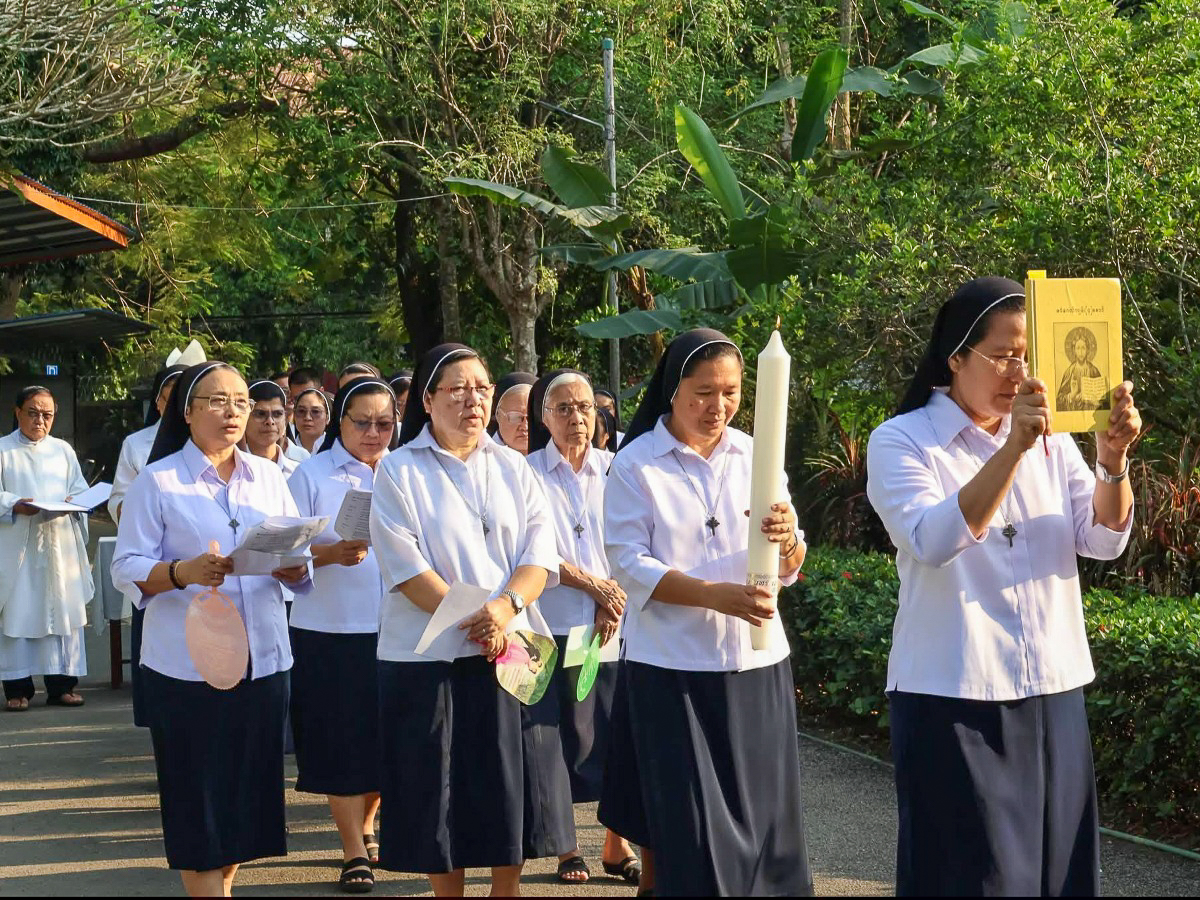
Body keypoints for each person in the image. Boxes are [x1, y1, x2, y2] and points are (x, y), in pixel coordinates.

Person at [865, 276, 1140, 897]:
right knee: (971, 877)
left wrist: (1113, 459)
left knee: (1057, 875)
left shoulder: (1056, 438)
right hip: (954, 694)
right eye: (1004, 354)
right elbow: (933, 540)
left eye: (1027, 355)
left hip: (1052, 688)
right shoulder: (903, 440)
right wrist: (1014, 446)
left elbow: (1101, 539)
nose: (1019, 371)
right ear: (956, 357)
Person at [598, 328, 812, 897]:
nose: (718, 407)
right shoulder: (637, 463)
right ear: (672, 390)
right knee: (693, 835)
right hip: (673, 672)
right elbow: (627, 563)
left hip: (756, 664)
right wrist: (711, 595)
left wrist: (789, 541)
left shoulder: (754, 453)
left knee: (767, 827)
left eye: (731, 392)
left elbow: (790, 559)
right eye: (703, 392)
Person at [111, 362, 311, 898]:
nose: (232, 412)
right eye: (217, 401)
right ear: (188, 410)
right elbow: (125, 565)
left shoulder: (270, 476)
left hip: (263, 659)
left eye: (241, 402)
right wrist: (182, 573)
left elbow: (295, 550)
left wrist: (296, 565)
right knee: (198, 798)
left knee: (244, 801)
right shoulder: (159, 480)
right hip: (186, 665)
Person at [370, 343, 561, 897]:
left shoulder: (514, 467)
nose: (473, 400)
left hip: (511, 645)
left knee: (508, 783)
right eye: (457, 389)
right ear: (427, 400)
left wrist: (503, 611)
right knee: (437, 786)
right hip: (425, 655)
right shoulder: (399, 471)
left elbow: (538, 554)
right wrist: (475, 619)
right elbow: (406, 569)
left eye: (482, 389)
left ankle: (507, 890)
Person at [526, 370, 641, 886]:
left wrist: (611, 598)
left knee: (613, 735)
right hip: (546, 628)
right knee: (554, 735)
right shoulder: (524, 473)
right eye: (564, 408)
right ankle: (567, 847)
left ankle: (615, 844)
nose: (577, 418)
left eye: (585, 408)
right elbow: (532, 550)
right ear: (543, 416)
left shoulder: (619, 469)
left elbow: (635, 540)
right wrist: (596, 588)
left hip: (608, 632)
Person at [288, 376, 395, 893]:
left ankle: (369, 822)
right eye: (362, 423)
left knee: (383, 737)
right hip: (330, 628)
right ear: (340, 423)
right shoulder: (312, 475)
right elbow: (281, 555)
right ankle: (352, 848)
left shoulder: (406, 471)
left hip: (398, 627)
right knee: (340, 739)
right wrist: (328, 553)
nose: (373, 433)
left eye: (384, 423)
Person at [0, 386, 93, 711]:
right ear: (17, 412)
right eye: (33, 412)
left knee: (61, 615)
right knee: (17, 614)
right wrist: (14, 504)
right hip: (18, 548)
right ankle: (17, 689)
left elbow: (78, 488)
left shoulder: (62, 451)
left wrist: (74, 502)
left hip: (57, 546)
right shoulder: (3, 450)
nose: (40, 420)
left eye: (47, 414)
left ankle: (62, 686)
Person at [108, 364, 188, 726]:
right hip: (157, 561)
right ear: (158, 403)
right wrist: (139, 504)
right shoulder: (136, 444)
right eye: (170, 398)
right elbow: (118, 500)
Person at [243, 381, 309, 477]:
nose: (270, 421)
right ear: (244, 418)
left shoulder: (298, 473)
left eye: (277, 414)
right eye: (260, 414)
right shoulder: (231, 471)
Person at [488, 372, 536, 454]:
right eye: (516, 417)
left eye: (532, 417)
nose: (525, 427)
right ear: (498, 415)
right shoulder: (482, 460)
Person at [287, 367, 325, 442]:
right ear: (291, 397)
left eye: (309, 395)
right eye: (297, 398)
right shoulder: (285, 435)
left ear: (321, 392)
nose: (307, 417)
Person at [294, 387, 332, 455]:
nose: (307, 417)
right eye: (301, 411)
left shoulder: (335, 451)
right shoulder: (283, 451)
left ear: (327, 418)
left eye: (315, 412)